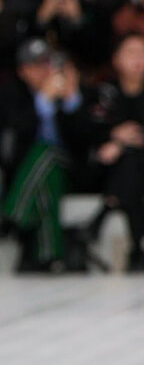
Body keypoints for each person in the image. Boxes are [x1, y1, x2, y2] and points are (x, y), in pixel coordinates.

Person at [72, 29, 144, 271]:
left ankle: (104, 211)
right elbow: (88, 131)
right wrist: (114, 138)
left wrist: (121, 144)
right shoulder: (104, 94)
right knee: (124, 162)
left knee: (133, 159)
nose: (138, 59)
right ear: (116, 59)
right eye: (131, 52)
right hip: (109, 168)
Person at [0, 39, 92, 271]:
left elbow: (84, 141)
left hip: (71, 167)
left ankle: (12, 216)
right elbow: (17, 135)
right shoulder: (12, 95)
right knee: (47, 173)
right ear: (22, 71)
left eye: (45, 64)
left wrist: (72, 99)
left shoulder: (70, 91)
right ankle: (47, 256)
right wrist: (42, 101)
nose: (43, 71)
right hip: (36, 174)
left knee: (48, 154)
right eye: (34, 66)